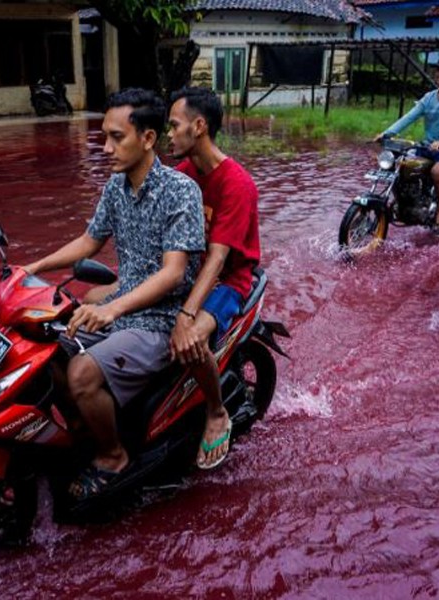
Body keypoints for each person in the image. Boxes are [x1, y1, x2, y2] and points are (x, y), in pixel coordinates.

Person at [23, 88, 205, 499]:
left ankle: (113, 456)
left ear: (148, 138)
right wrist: (32, 268)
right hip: (121, 307)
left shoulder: (181, 192)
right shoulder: (116, 186)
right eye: (104, 136)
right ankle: (89, 429)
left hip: (162, 318)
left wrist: (111, 307)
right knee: (48, 351)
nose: (106, 148)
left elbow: (174, 274)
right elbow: (89, 242)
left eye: (116, 137)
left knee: (81, 373)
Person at [167, 87, 261, 470]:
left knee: (190, 342)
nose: (169, 135)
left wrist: (188, 315)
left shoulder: (237, 184)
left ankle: (216, 410)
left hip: (228, 281)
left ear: (199, 126)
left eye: (174, 126)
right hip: (191, 272)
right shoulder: (184, 174)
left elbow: (219, 258)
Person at [375, 54, 439, 227]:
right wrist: (387, 133)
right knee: (401, 164)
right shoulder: (429, 97)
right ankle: (405, 203)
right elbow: (409, 117)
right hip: (428, 146)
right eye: (437, 69)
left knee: (437, 171)